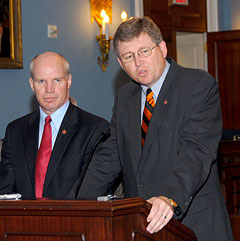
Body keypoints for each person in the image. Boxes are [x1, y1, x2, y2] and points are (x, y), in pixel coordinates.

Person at [77, 17, 234, 241]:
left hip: (193, 225)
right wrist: (79, 206)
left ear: (162, 48)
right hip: (142, 227)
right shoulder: (124, 97)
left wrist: (169, 197)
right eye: (129, 57)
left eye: (144, 51)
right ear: (121, 64)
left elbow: (196, 151)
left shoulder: (197, 85)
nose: (138, 63)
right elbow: (108, 159)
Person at [0, 51, 109, 199]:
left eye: (57, 80)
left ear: (69, 81)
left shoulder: (95, 129)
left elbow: (90, 194)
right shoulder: (15, 131)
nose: (49, 89)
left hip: (73, 220)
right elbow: (6, 193)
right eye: (41, 81)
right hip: (23, 221)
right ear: (32, 85)